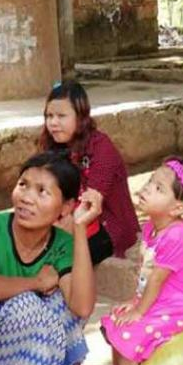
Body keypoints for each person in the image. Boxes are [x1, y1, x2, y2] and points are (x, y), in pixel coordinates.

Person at [0, 151, 99, 365]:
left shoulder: (62, 244)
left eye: (42, 191)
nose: (26, 197)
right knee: (27, 304)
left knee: (60, 305)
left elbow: (82, 306)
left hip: (32, 356)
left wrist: (80, 227)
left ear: (66, 207)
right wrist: (36, 282)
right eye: (23, 185)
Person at [100, 157, 183, 365]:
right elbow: (146, 272)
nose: (147, 189)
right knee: (116, 322)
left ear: (177, 207)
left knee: (128, 334)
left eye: (159, 188)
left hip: (182, 304)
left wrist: (140, 311)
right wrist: (135, 300)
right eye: (151, 181)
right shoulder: (152, 226)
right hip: (165, 295)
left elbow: (157, 279)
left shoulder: (177, 235)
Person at [40, 80, 140, 265]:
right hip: (68, 220)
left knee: (62, 261)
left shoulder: (101, 148)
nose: (53, 122)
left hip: (108, 226)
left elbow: (90, 204)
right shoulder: (53, 147)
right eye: (49, 115)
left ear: (80, 117)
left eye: (61, 116)